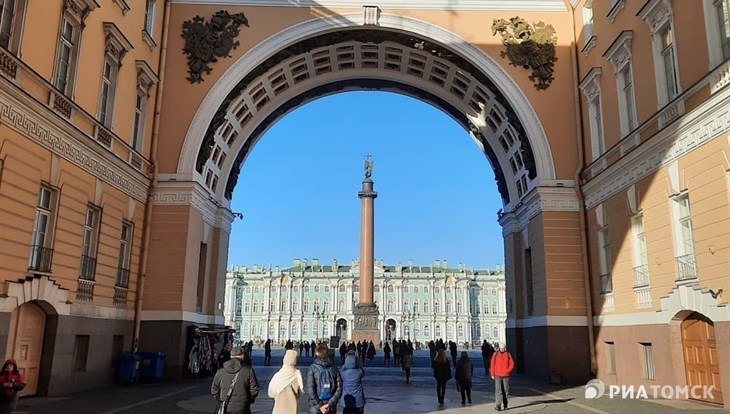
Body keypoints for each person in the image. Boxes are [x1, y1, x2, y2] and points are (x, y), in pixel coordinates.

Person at [211, 346, 260, 414]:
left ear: (231, 356)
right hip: (242, 407)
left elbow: (214, 390)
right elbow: (254, 389)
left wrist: (221, 399)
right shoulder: (248, 370)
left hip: (226, 406)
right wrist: (249, 400)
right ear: (242, 356)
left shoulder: (221, 371)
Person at [306, 344, 343, 414]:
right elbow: (339, 389)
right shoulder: (334, 368)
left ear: (317, 354)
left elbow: (310, 389)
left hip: (315, 407)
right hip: (330, 407)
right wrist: (329, 404)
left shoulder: (312, 368)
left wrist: (320, 406)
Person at [268, 350, 304, 414]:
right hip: (293, 408)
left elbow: (271, 393)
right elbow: (300, 392)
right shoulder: (296, 374)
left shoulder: (278, 375)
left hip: (279, 408)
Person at [490, 342, 515, 411]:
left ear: (505, 348)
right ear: (499, 348)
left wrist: (508, 370)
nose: (502, 349)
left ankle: (505, 404)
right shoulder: (495, 354)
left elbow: (512, 364)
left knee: (506, 390)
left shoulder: (508, 354)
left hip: (505, 375)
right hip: (497, 375)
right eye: (501, 348)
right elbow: (492, 364)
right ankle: (498, 405)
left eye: (503, 348)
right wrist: (492, 374)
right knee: (498, 390)